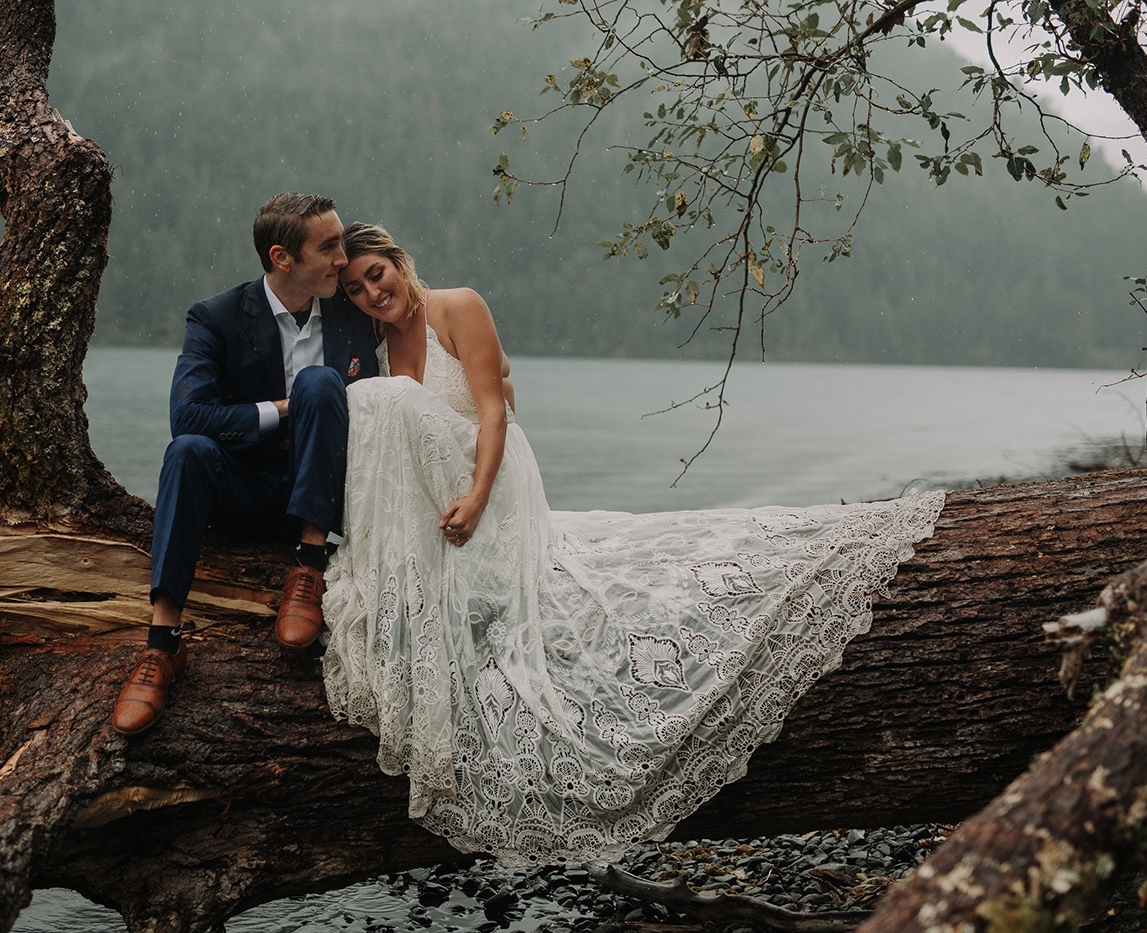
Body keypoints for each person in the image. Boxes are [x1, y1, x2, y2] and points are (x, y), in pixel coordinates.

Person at [321, 222, 946, 864]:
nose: (372, 292)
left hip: (490, 478)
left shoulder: (458, 306)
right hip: (435, 490)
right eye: (355, 287)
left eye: (378, 274)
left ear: (400, 264)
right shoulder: (373, 343)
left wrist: (478, 497)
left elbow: (492, 408)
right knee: (374, 402)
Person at [112, 193, 379, 736]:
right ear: (282, 258)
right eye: (328, 248)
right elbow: (187, 417)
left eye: (341, 245)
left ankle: (308, 569)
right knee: (187, 452)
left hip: (329, 495)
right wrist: (284, 410)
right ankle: (162, 647)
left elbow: (416, 334)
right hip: (246, 489)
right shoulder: (216, 317)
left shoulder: (353, 310)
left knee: (321, 382)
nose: (341, 260)